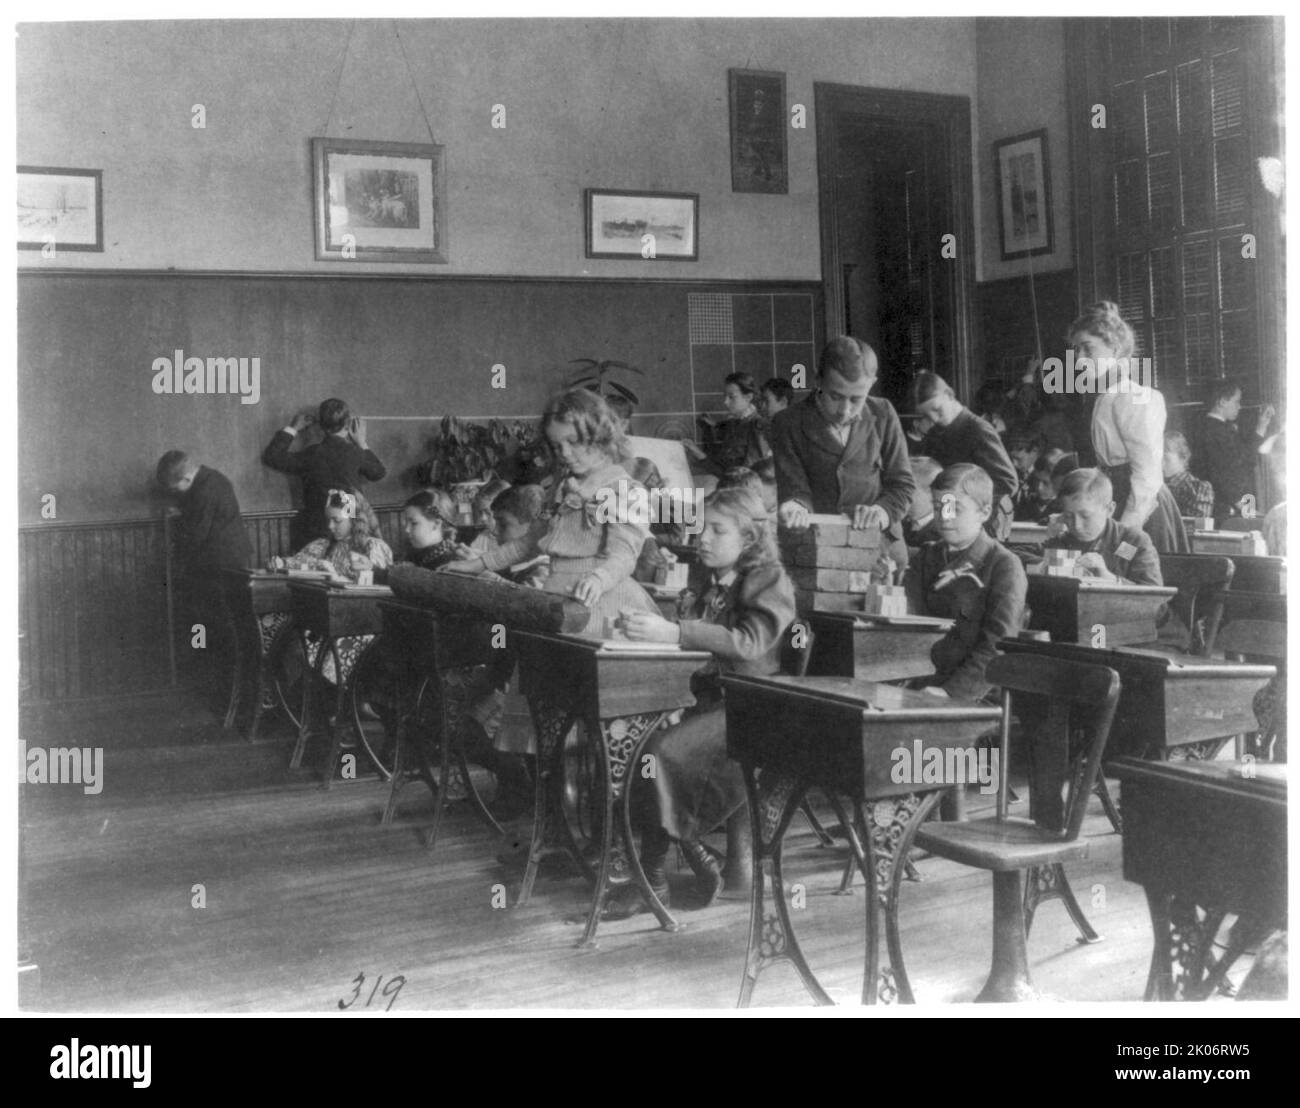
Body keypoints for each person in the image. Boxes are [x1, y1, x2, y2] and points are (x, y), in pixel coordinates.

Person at [613, 487, 796, 914]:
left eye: (717, 530)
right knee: (641, 746)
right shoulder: (712, 579)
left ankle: (657, 876)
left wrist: (675, 633)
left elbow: (749, 644)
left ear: (748, 539)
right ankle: (685, 860)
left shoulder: (769, 579)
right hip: (714, 702)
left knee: (663, 753)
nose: (703, 539)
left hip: (755, 708)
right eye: (701, 529)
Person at [441, 389, 658, 635]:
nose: (564, 453)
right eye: (557, 446)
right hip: (558, 599)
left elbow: (624, 556)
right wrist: (478, 564)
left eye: (573, 442)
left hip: (600, 602)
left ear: (599, 437)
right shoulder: (563, 487)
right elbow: (529, 542)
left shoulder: (625, 490)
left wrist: (599, 579)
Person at [769, 336, 915, 567]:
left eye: (856, 399)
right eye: (835, 397)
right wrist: (796, 507)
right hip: (817, 551)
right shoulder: (787, 423)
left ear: (871, 384)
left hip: (881, 549)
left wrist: (880, 512)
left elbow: (903, 485)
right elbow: (794, 487)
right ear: (818, 380)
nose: (844, 410)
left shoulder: (884, 413)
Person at [1068, 301, 1188, 552]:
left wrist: (1125, 533)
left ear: (1115, 349)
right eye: (1076, 350)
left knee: (1129, 564)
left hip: (1142, 510)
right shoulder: (1103, 398)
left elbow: (1147, 477)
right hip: (1114, 500)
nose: (1079, 360)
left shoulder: (1136, 398)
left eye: (1088, 349)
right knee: (1108, 569)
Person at [902, 464, 1027, 701]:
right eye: (938, 507)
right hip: (920, 682)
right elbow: (908, 627)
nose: (944, 517)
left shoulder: (1003, 565)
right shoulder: (925, 558)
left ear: (984, 512)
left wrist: (951, 692)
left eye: (955, 508)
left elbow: (998, 644)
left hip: (975, 692)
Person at [267, 488, 394, 685]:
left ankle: (328, 694)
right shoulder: (324, 545)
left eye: (337, 520)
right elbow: (299, 561)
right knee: (290, 637)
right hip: (328, 620)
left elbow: (376, 592)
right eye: (328, 520)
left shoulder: (373, 547)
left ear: (354, 519)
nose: (330, 526)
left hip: (361, 625)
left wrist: (336, 577)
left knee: (317, 644)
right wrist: (281, 563)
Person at [156, 450, 251, 707]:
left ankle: (222, 688)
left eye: (175, 488)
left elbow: (197, 533)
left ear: (186, 478)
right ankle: (219, 684)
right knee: (213, 625)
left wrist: (177, 549)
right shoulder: (210, 479)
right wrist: (182, 512)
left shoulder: (205, 489)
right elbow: (201, 516)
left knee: (216, 626)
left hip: (222, 568)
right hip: (224, 565)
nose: (176, 493)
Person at [262, 397, 387, 550]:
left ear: (320, 425)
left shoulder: (312, 454)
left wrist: (293, 427)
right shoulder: (355, 453)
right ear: (347, 423)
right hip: (351, 530)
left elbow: (272, 457)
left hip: (316, 531)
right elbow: (378, 473)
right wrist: (362, 442)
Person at [912, 370, 1019, 540]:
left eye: (937, 410)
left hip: (976, 527)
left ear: (949, 394)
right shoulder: (934, 435)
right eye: (926, 415)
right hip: (945, 522)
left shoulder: (978, 430)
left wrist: (966, 502)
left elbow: (1008, 482)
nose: (934, 418)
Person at [1041, 468, 1162, 586]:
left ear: (1109, 510)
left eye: (1085, 516)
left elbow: (1154, 594)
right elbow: (1029, 556)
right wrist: (1045, 563)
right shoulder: (1061, 540)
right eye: (1068, 516)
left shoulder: (1130, 542)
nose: (1077, 525)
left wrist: (1110, 579)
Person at [1193, 380, 1275, 519]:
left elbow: (1245, 458)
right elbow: (1220, 475)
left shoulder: (1222, 428)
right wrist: (1246, 509)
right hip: (1228, 509)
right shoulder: (1214, 430)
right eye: (1236, 401)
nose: (1239, 406)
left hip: (1239, 504)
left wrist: (1262, 425)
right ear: (1222, 402)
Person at [696, 372, 772, 479]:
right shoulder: (732, 424)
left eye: (731, 397)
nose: (725, 402)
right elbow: (724, 466)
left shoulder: (758, 426)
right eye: (725, 396)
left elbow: (751, 475)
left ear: (748, 397)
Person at [398, 489, 462, 571]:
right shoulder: (413, 555)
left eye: (414, 523)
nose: (407, 529)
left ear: (436, 524)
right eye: (406, 523)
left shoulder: (450, 564)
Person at [1162, 431, 1215, 521]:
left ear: (1183, 457)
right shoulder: (1154, 486)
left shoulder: (1198, 488)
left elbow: (1196, 525)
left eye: (1165, 457)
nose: (1160, 463)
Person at [903, 455, 944, 547]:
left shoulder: (942, 533)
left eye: (906, 491)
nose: (899, 497)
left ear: (932, 493)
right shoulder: (903, 522)